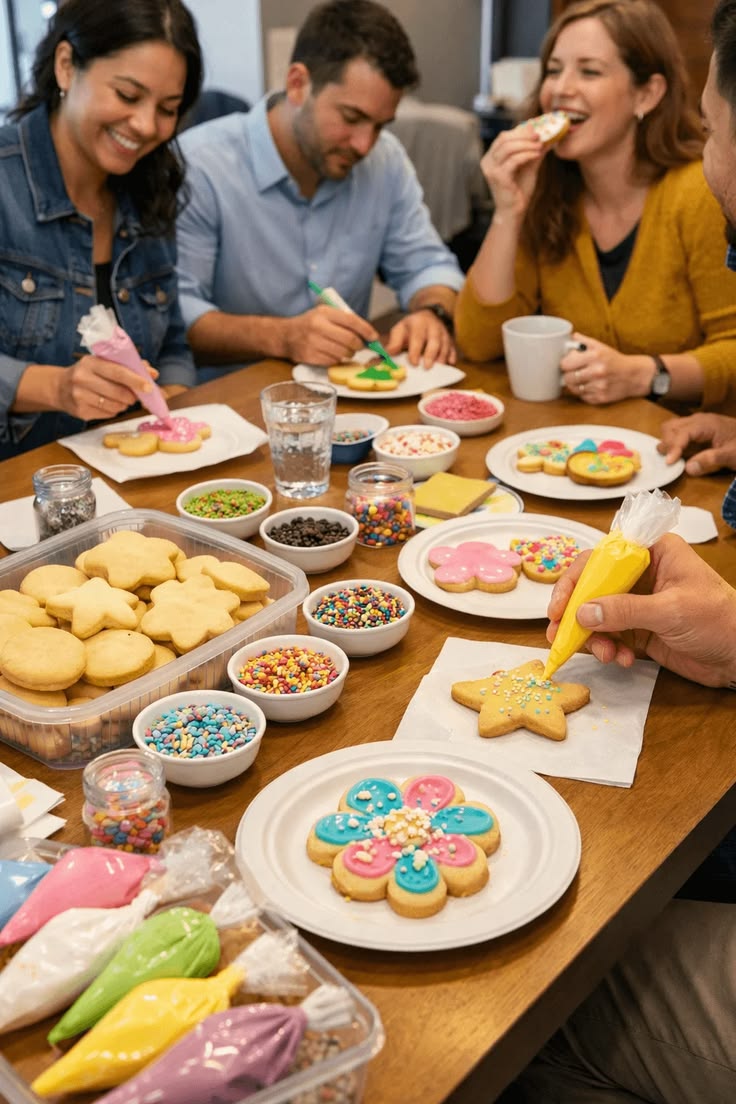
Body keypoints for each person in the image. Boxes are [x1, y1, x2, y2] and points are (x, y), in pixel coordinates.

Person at [455, 0, 736, 412]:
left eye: (589, 72)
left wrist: (644, 373)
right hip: (572, 436)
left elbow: (733, 347)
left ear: (647, 93)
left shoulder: (701, 192)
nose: (560, 89)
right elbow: (479, 343)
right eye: (554, 70)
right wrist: (507, 212)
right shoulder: (546, 191)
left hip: (679, 440)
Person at [175, 0, 463, 379]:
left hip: (350, 398)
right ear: (298, 84)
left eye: (380, 126)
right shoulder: (200, 166)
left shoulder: (385, 161)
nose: (364, 145)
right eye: (352, 117)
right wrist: (282, 337)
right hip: (235, 401)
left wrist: (432, 312)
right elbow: (178, 317)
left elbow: (428, 265)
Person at [0, 0, 202, 459]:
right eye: (128, 96)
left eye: (168, 108)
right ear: (66, 66)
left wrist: (171, 399)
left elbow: (173, 341)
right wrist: (54, 387)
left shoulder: (151, 188)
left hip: (130, 479)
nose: (146, 126)